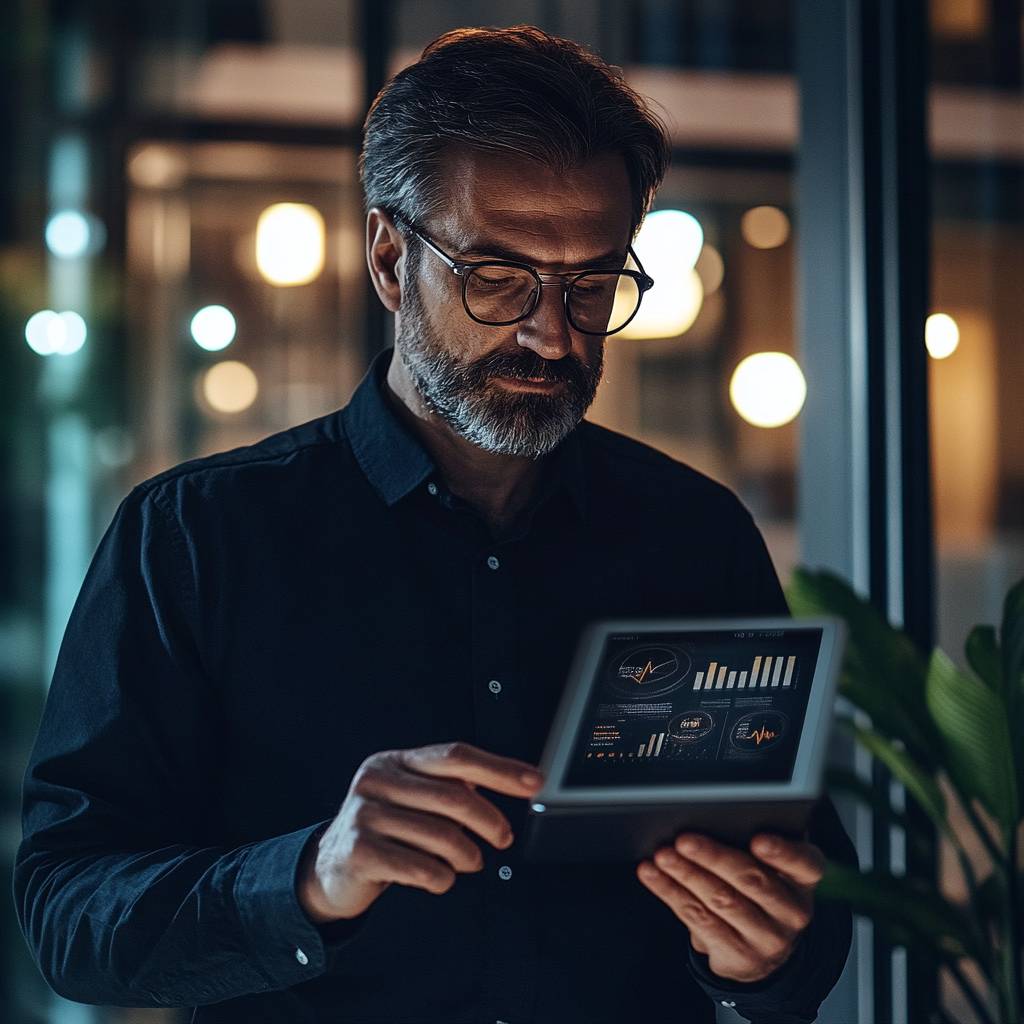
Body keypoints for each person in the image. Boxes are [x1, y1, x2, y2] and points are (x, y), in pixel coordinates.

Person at [13, 25, 856, 1024]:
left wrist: (761, 953)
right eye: (496, 277)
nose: (551, 332)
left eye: (592, 283)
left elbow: (802, 896)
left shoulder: (693, 534)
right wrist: (308, 875)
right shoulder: (194, 537)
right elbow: (67, 917)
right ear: (386, 256)